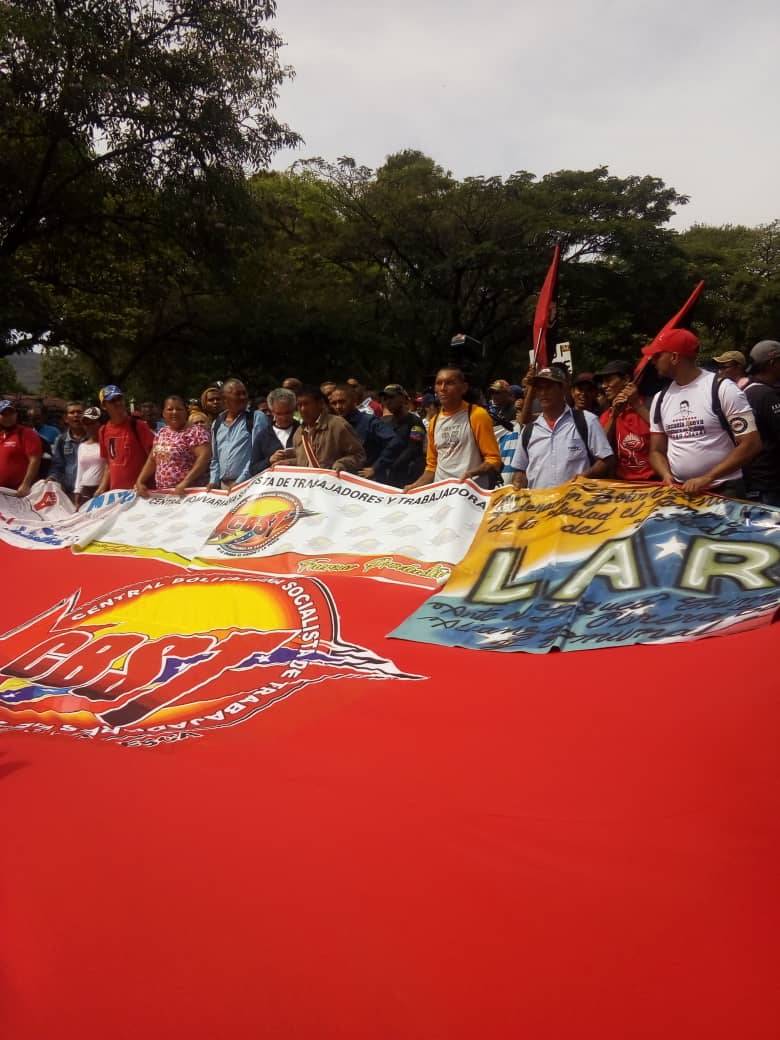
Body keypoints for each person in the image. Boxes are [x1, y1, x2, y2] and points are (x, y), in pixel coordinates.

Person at [646, 328, 760, 496]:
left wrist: (708, 477)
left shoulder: (723, 389)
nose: (652, 361)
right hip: (679, 490)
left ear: (674, 357)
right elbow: (656, 450)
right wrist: (665, 474)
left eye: (657, 356)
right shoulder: (660, 398)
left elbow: (751, 444)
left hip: (724, 490)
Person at [510, 367, 613, 489]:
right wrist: (517, 486)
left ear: (563, 388)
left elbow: (607, 460)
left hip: (576, 499)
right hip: (539, 500)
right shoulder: (529, 431)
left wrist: (582, 479)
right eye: (539, 388)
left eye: (548, 387)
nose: (543, 393)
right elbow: (520, 470)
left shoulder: (587, 421)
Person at [404, 368, 501, 491]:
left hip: (470, 493)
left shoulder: (477, 415)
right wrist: (415, 486)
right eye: (439, 383)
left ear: (464, 388)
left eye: (450, 383)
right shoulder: (434, 422)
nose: (443, 388)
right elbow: (431, 467)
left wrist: (471, 473)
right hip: (441, 495)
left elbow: (493, 460)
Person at [135, 395, 211, 496]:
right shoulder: (162, 432)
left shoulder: (196, 432)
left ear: (186, 412)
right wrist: (140, 481)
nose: (174, 412)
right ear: (163, 413)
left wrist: (185, 483)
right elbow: (152, 459)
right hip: (165, 495)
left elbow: (204, 459)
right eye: (170, 409)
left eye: (179, 409)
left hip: (188, 494)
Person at [596, 361, 655, 482]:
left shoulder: (651, 405)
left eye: (609, 380)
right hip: (622, 483)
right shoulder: (608, 415)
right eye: (602, 382)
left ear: (626, 379)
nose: (604, 386)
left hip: (654, 481)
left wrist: (636, 405)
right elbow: (601, 447)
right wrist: (613, 417)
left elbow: (663, 433)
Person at [328, 384, 399, 483]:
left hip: (367, 481)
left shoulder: (369, 422)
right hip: (341, 481)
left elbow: (395, 442)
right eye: (334, 403)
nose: (338, 406)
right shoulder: (332, 425)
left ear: (354, 400)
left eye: (342, 401)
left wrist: (376, 467)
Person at [208, 378, 267, 491]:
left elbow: (258, 455)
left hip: (249, 485)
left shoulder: (256, 418)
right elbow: (215, 458)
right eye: (238, 394)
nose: (243, 397)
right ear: (225, 399)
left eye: (244, 393)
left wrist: (239, 482)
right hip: (223, 487)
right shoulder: (217, 423)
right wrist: (213, 481)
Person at [95, 385, 155, 494]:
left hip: (140, 493)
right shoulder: (103, 431)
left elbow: (154, 455)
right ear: (104, 406)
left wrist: (141, 480)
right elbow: (109, 464)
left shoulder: (138, 425)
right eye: (112, 400)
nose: (118, 403)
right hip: (117, 494)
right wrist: (102, 487)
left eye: (119, 398)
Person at [291, 385, 365, 472]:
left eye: (306, 404)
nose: (303, 409)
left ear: (320, 404)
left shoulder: (338, 425)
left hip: (333, 479)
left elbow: (359, 455)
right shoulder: (299, 433)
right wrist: (285, 463)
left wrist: (342, 464)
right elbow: (304, 462)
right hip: (308, 480)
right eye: (299, 405)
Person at [742, 340, 780, 506]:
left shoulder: (746, 390)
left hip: (752, 478)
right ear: (772, 363)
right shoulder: (766, 395)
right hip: (770, 482)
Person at [377, 384, 426, 487]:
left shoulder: (415, 422)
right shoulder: (384, 422)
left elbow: (413, 449)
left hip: (409, 478)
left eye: (391, 397)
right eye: (385, 399)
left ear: (402, 398)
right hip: (388, 479)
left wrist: (391, 465)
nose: (388, 402)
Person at [251, 387, 300, 473]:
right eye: (279, 414)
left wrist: (295, 459)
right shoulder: (263, 436)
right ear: (272, 411)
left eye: (287, 413)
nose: (284, 418)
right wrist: (269, 460)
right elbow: (253, 469)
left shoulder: (304, 431)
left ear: (294, 410)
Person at [0, 399, 41, 496]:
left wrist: (26, 484)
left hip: (16, 492)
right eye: (4, 414)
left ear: (16, 415)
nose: (8, 417)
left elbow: (35, 460)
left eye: (11, 413)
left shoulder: (27, 433)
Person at [49, 401, 86, 498]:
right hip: (68, 493)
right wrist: (53, 477)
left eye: (79, 412)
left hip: (90, 493)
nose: (76, 415)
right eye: (72, 412)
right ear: (66, 418)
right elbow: (57, 465)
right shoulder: (61, 440)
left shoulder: (94, 437)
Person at [73, 407, 106, 505]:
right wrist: (77, 492)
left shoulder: (107, 444)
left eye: (92, 423)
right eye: (86, 424)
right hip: (86, 490)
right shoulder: (82, 446)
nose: (89, 427)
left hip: (103, 489)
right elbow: (80, 471)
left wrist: (102, 487)